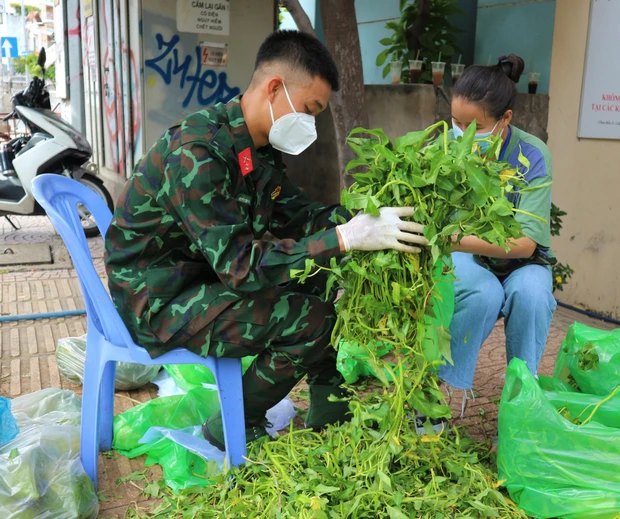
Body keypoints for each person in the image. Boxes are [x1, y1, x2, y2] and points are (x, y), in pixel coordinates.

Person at [104, 30, 428, 450]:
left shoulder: (259, 150)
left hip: (207, 276)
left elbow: (301, 216)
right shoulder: (198, 152)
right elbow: (242, 268)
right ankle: (234, 424)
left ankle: (328, 400)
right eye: (309, 110)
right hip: (158, 298)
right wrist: (345, 239)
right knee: (311, 321)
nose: (310, 123)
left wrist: (370, 220)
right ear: (275, 88)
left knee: (322, 277)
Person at [440, 54, 556, 416]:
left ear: (505, 119)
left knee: (534, 293)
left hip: (517, 260)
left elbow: (524, 244)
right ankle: (441, 397)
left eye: (472, 126)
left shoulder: (532, 155)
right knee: (482, 291)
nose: (461, 133)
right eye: (455, 122)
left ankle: (519, 408)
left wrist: (447, 238)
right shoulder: (441, 150)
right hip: (467, 259)